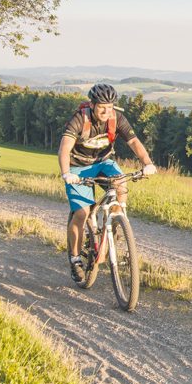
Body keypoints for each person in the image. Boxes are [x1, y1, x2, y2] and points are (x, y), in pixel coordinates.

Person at [59, 83, 157, 282]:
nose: (106, 111)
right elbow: (64, 148)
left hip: (103, 163)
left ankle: (118, 220)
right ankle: (76, 259)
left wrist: (147, 162)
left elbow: (134, 142)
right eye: (102, 107)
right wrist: (66, 173)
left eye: (110, 107)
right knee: (82, 213)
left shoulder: (116, 118)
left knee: (121, 181)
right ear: (93, 105)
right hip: (78, 167)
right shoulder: (80, 119)